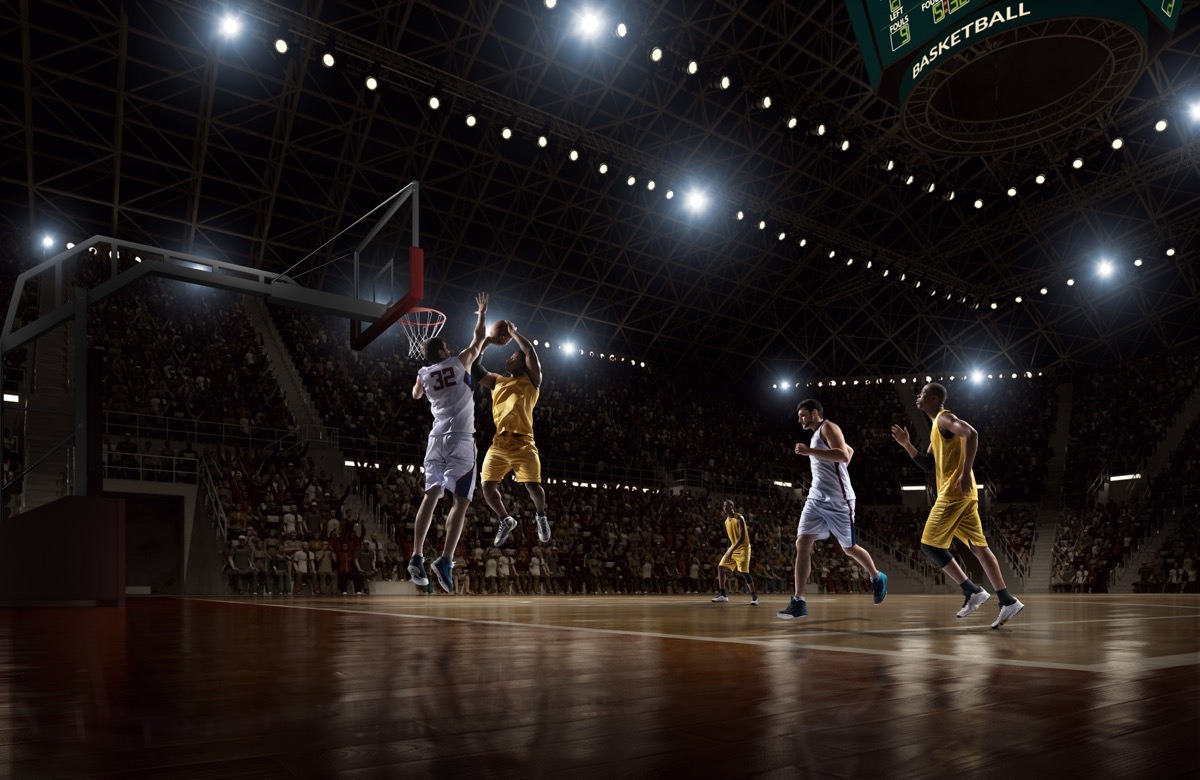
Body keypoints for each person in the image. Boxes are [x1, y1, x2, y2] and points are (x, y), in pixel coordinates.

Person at [890, 382, 1025, 628]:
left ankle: (971, 590)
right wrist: (906, 444)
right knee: (979, 549)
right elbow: (927, 464)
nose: (918, 396)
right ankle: (1007, 600)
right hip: (963, 495)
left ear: (933, 399)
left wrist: (964, 472)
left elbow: (972, 434)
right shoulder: (935, 427)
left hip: (954, 493)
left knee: (929, 545)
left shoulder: (944, 418)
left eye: (922, 393)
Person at [407, 292, 490, 594]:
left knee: (431, 496)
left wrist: (422, 374)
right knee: (462, 501)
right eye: (445, 345)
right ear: (443, 350)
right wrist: (481, 313)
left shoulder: (424, 373)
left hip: (435, 439)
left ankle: (416, 556)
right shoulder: (459, 362)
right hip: (460, 440)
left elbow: (416, 395)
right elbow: (479, 339)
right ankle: (445, 560)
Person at [778, 400, 887, 619]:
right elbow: (850, 450)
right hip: (816, 498)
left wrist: (810, 451)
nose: (799, 419)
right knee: (802, 543)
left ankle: (877, 576)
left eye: (802, 415)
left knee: (849, 548)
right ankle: (799, 601)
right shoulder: (817, 434)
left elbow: (844, 455)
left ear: (814, 413)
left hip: (839, 500)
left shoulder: (828, 427)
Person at [474, 321, 551, 548]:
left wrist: (513, 332)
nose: (508, 358)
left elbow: (530, 351)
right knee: (487, 486)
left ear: (523, 364)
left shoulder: (532, 382)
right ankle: (505, 519)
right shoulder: (498, 381)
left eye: (513, 357)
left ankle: (541, 517)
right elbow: (475, 368)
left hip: (523, 444)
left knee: (533, 487)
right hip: (499, 443)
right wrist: (487, 341)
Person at [711, 500, 758, 605]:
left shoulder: (739, 518)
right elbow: (730, 538)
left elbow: (741, 538)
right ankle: (723, 595)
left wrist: (730, 550)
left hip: (743, 548)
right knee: (721, 567)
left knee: (744, 572)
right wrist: (729, 550)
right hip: (733, 547)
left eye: (726, 505)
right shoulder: (726, 521)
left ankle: (754, 597)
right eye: (723, 506)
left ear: (732, 506)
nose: (724, 507)